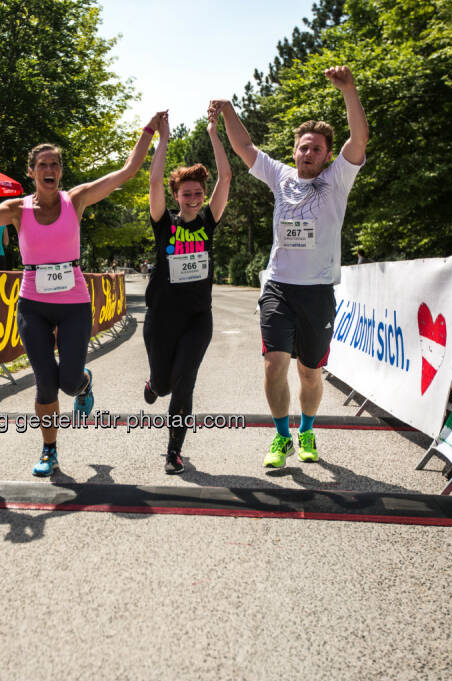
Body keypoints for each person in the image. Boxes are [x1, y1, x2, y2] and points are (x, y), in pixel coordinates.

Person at [0, 113, 166, 476]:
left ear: (60, 171)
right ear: (33, 172)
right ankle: (49, 451)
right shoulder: (17, 209)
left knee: (68, 382)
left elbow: (126, 172)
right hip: (33, 304)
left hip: (73, 303)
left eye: (55, 164)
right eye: (43, 165)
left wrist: (150, 132)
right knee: (44, 382)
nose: (49, 169)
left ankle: (84, 382)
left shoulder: (77, 200)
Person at [210, 65, 369, 469]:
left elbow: (359, 138)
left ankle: (308, 429)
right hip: (278, 286)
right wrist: (229, 109)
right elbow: (245, 147)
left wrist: (349, 90)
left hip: (317, 292)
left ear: (326, 155)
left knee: (310, 372)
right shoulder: (279, 175)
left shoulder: (338, 179)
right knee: (274, 364)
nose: (308, 153)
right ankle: (282, 437)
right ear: (294, 149)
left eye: (316, 148)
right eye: (303, 147)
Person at [143, 108, 231, 474]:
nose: (194, 198)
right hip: (161, 318)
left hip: (198, 318)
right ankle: (153, 381)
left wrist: (214, 131)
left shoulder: (209, 222)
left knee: (183, 386)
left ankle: (173, 452)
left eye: (198, 193)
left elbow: (225, 175)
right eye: (187, 193)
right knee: (163, 386)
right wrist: (163, 139)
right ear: (177, 195)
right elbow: (153, 182)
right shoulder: (165, 224)